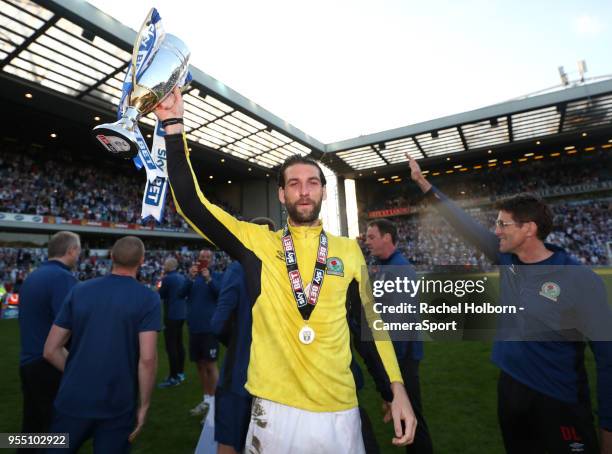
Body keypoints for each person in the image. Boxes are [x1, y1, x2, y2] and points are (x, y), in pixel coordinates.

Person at [154, 87, 416, 453]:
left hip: (340, 411)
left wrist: (396, 388)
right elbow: (191, 204)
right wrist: (173, 124)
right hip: (273, 413)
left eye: (312, 183)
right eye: (293, 184)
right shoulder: (258, 243)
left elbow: (372, 327)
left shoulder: (347, 252)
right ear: (281, 195)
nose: (303, 191)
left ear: (324, 191)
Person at [407, 155, 612, 454]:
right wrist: (424, 184)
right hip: (511, 390)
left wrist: (608, 430)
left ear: (528, 229)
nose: (496, 230)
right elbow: (463, 223)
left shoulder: (580, 280)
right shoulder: (507, 259)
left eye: (503, 224)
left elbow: (608, 359)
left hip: (557, 399)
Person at [43, 236, 160, 453]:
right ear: (141, 260)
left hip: (73, 397)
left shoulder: (80, 290)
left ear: (112, 256)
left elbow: (51, 350)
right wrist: (144, 405)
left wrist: (78, 374)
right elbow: (148, 359)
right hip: (118, 401)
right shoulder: (148, 298)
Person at [365, 218, 434, 453]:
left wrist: (392, 370)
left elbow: (401, 323)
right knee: (404, 415)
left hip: (402, 356)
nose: (367, 242)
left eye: (372, 237)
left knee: (411, 414)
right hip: (394, 354)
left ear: (387, 237)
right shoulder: (382, 266)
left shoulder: (400, 269)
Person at [209, 217, 276, 454]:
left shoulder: (238, 268)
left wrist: (237, 342)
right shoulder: (286, 272)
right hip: (277, 380)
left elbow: (218, 324)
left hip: (240, 375)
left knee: (229, 441)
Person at [18, 231, 80, 444]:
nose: (78, 255)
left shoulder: (33, 275)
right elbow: (72, 324)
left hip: (29, 362)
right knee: (55, 433)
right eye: (78, 250)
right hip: (49, 364)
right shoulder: (62, 279)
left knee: (31, 429)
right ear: (71, 250)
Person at [183, 249, 223, 419]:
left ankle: (216, 405)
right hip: (194, 327)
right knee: (199, 364)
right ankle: (207, 399)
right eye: (202, 257)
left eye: (207, 257)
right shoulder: (193, 276)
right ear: (198, 259)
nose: (204, 259)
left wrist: (209, 279)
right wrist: (190, 278)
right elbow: (180, 293)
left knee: (211, 365)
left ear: (212, 260)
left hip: (209, 327)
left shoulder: (217, 276)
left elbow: (220, 294)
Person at [158, 256, 188, 388]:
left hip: (171, 315)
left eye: (164, 264)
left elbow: (161, 295)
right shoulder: (181, 277)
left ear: (168, 266)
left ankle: (173, 376)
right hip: (181, 314)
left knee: (171, 347)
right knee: (179, 344)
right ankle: (180, 373)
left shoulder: (167, 279)